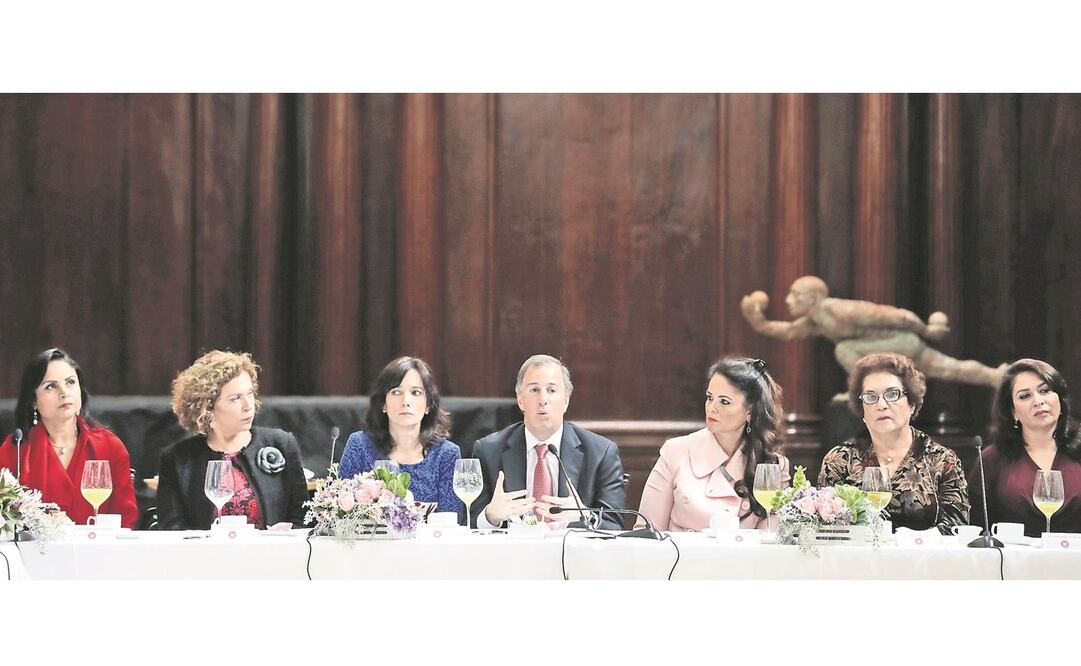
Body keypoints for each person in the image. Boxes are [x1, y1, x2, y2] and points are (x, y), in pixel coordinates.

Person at [741, 275, 1006, 387]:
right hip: (884, 348)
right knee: (950, 368)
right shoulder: (816, 320)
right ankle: (995, 377)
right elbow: (787, 332)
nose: (788, 300)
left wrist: (925, 329)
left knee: (844, 348)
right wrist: (757, 320)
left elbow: (893, 315)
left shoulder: (839, 310)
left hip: (899, 341)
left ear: (812, 298)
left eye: (795, 295)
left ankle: (863, 386)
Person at [818, 352, 970, 534]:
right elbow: (826, 529)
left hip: (923, 560)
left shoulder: (942, 460)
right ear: (862, 410)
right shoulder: (839, 460)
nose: (881, 405)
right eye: (871, 397)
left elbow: (956, 530)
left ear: (912, 403)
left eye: (892, 394)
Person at [470, 354, 626, 529]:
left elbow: (615, 526)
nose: (543, 399)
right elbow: (468, 522)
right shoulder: (489, 451)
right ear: (520, 400)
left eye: (551, 390)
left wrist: (587, 517)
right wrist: (490, 516)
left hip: (572, 554)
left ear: (566, 401)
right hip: (512, 553)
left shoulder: (601, 453)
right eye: (534, 390)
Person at [156, 350, 308, 530]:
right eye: (235, 398)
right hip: (204, 556)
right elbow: (172, 529)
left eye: (250, 393)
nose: (248, 405)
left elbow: (303, 518)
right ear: (207, 407)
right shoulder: (177, 459)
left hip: (272, 555)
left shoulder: (282, 444)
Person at [638, 357, 791, 531]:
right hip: (680, 557)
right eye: (710, 398)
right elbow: (646, 534)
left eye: (724, 401)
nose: (712, 408)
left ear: (750, 411)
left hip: (743, 558)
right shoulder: (675, 451)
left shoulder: (773, 464)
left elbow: (770, 544)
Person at [0, 348, 138, 527]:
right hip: (34, 553)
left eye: (70, 382)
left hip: (98, 552)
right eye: (51, 386)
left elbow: (125, 519)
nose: (64, 393)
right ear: (33, 400)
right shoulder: (15, 449)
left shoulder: (110, 446)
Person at [339, 357, 463, 520]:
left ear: (428, 405)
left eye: (416, 393)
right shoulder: (359, 445)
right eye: (396, 392)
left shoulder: (447, 454)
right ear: (383, 403)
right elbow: (342, 512)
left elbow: (451, 521)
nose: (406, 401)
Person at [970, 358, 1081, 537]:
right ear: (1013, 411)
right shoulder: (991, 460)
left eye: (1045, 390)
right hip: (1012, 563)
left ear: (1059, 400)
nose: (1038, 401)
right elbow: (978, 531)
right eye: (1025, 396)